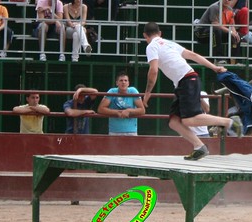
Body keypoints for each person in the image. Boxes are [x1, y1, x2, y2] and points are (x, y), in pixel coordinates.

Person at [142, 22, 243, 161]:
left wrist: (147, 93)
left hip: (187, 81)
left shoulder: (151, 46)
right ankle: (199, 146)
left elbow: (153, 70)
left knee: (190, 120)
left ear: (145, 36)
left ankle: (230, 122)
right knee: (174, 121)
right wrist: (214, 67)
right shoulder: (169, 43)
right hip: (185, 81)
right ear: (160, 33)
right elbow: (193, 55)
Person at [97, 71, 145, 135]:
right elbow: (101, 109)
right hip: (114, 131)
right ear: (117, 83)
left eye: (125, 80)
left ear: (128, 83)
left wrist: (129, 111)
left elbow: (142, 110)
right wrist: (117, 113)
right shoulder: (112, 91)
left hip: (131, 131)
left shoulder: (133, 91)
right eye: (121, 80)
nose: (123, 82)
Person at [194, 0, 241, 65]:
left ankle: (233, 61)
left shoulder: (230, 9)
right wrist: (230, 31)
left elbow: (231, 24)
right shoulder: (215, 7)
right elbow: (215, 24)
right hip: (201, 32)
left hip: (217, 32)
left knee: (236, 36)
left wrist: (235, 33)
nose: (227, 1)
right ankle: (219, 59)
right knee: (216, 31)